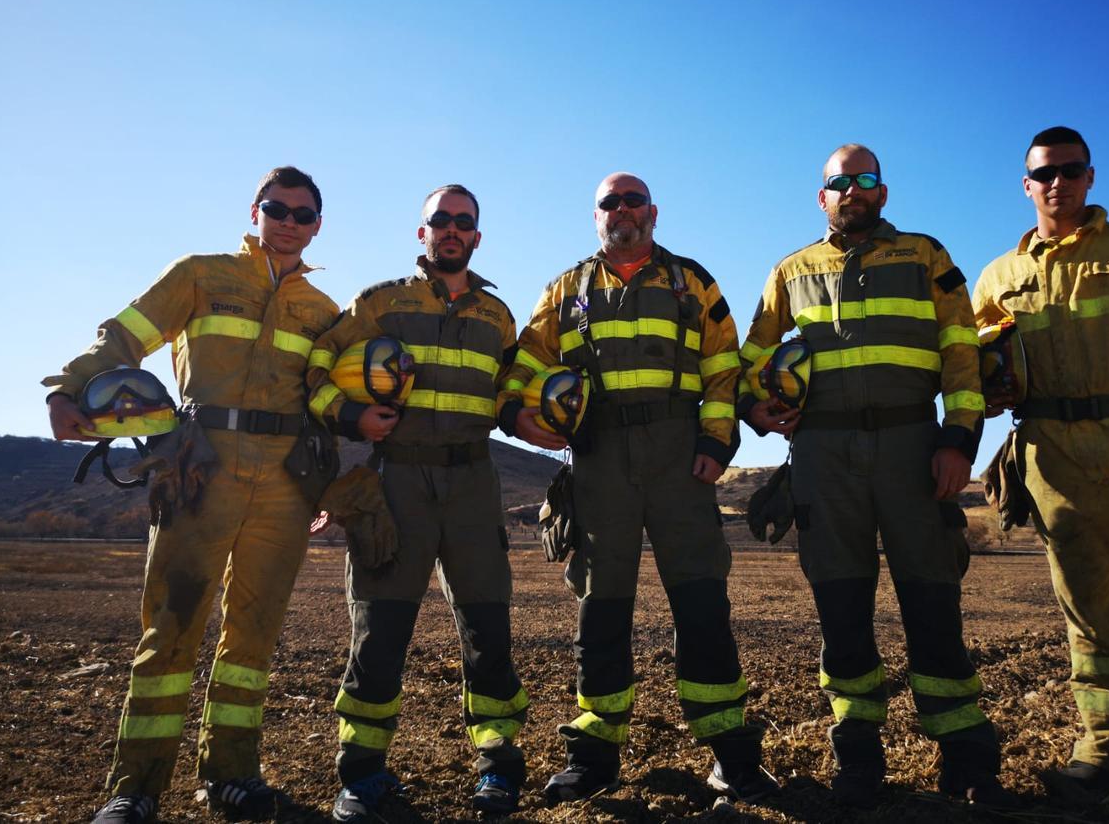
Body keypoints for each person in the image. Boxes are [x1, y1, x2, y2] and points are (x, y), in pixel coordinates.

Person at [45, 167, 339, 824]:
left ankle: (231, 774)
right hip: (200, 467)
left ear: (318, 224)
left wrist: (326, 487)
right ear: (255, 211)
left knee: (253, 636)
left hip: (283, 482)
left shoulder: (323, 312)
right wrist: (70, 388)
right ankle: (136, 789)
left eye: (302, 212)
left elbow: (328, 404)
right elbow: (125, 336)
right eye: (277, 207)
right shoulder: (202, 274)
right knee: (172, 626)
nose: (289, 220)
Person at [739, 144, 1008, 807]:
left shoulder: (926, 256)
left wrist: (958, 437)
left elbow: (961, 353)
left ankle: (966, 760)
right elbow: (749, 356)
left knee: (933, 602)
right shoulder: (790, 271)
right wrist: (754, 406)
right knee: (842, 610)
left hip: (913, 444)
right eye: (839, 182)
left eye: (865, 180)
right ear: (822, 196)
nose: (852, 191)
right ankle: (857, 759)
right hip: (823, 455)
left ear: (882, 193)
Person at [499, 172, 779, 806]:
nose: (621, 211)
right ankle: (593, 756)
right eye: (609, 203)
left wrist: (716, 443)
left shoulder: (692, 282)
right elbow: (526, 364)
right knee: (601, 607)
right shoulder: (565, 290)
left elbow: (723, 367)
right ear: (595, 216)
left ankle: (732, 756)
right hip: (598, 459)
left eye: (632, 201)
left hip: (682, 459)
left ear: (652, 212)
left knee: (702, 603)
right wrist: (517, 414)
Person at [972, 126, 1109, 805]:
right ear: (1027, 184)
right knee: (1088, 615)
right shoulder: (999, 278)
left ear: (1091, 178)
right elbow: (970, 369)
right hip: (1055, 454)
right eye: (1045, 174)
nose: (1058, 183)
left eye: (1072, 171)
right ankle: (1103, 753)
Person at [305, 185, 529, 821]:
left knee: (488, 627)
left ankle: (498, 763)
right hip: (398, 480)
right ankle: (362, 773)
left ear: (477, 237)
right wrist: (349, 416)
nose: (451, 230)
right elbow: (318, 366)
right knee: (380, 630)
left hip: (473, 481)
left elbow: (515, 381)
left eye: (463, 222)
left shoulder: (497, 315)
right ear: (421, 232)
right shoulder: (380, 303)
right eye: (440, 221)